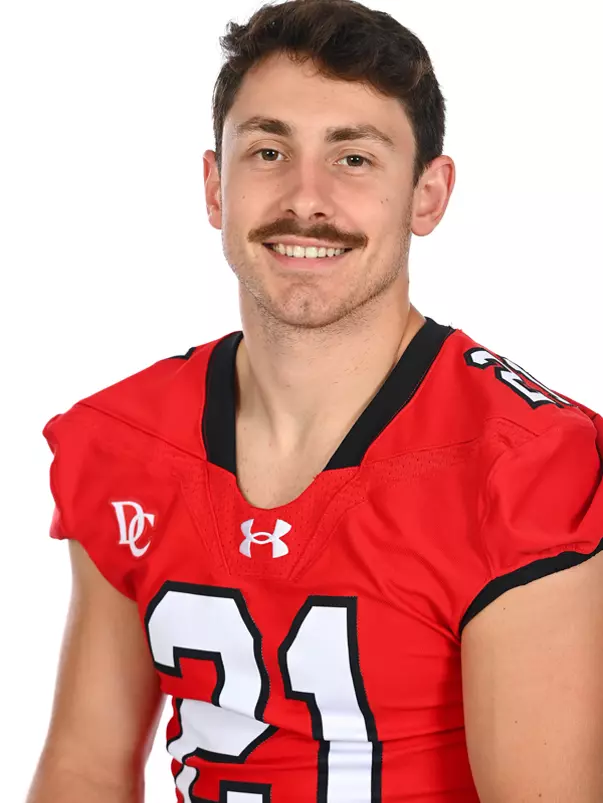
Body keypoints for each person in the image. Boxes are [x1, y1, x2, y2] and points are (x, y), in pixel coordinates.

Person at [28, 1, 603, 801]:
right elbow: (84, 768)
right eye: (268, 151)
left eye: (354, 159)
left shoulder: (522, 461)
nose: (306, 198)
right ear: (213, 185)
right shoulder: (123, 439)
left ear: (427, 195)